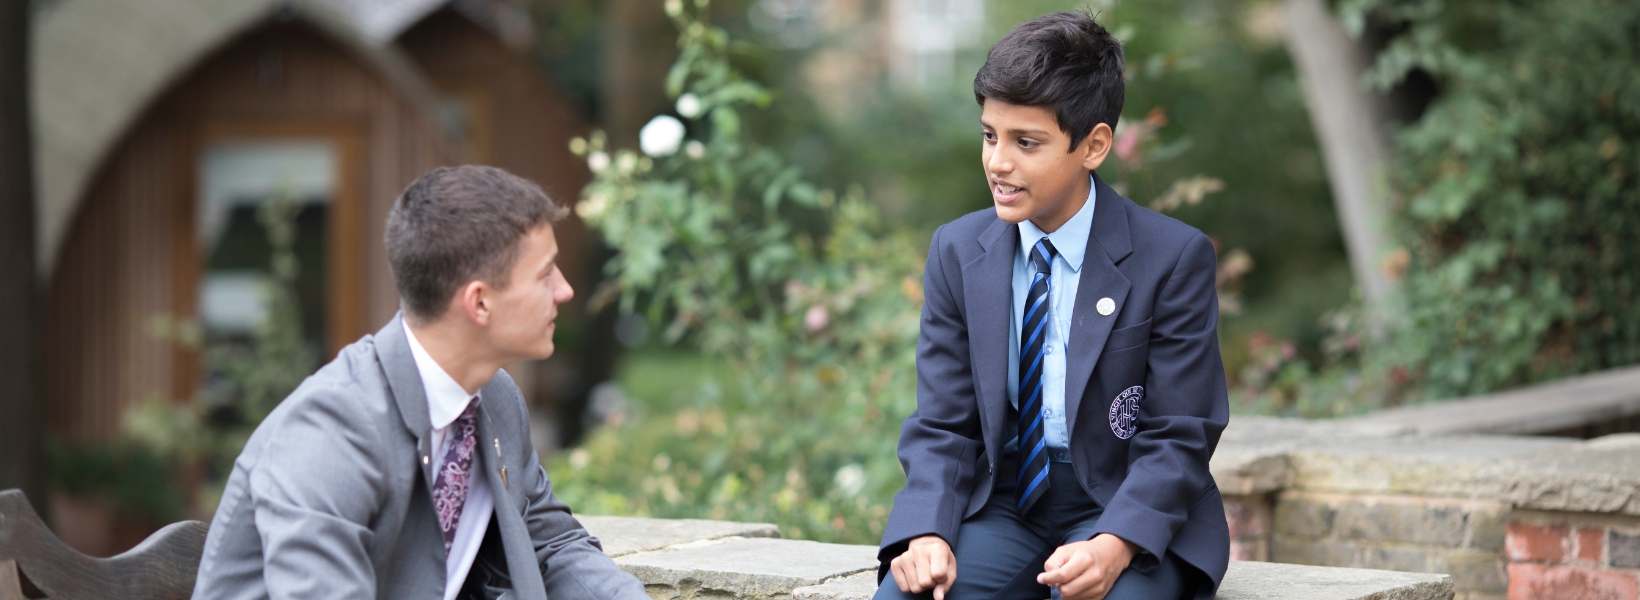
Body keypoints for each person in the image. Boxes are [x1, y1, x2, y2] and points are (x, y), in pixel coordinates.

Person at [874, 11, 1230, 600]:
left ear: (1093, 146)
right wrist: (929, 530)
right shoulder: (958, 251)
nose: (998, 162)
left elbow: (1180, 434)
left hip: (1122, 503)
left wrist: (1114, 544)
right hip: (1003, 504)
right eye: (990, 135)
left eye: (1026, 142)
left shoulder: (1171, 257)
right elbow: (943, 422)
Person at [193, 166, 649, 600]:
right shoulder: (329, 433)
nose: (565, 290)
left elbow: (552, 546)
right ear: (480, 303)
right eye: (545, 273)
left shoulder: (495, 397)